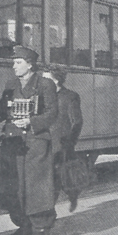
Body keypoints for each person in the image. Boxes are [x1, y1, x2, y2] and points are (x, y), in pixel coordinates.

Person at [0, 46, 58, 235]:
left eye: (18, 62)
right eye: (13, 62)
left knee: (38, 186)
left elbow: (52, 114)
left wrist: (31, 122)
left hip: (35, 142)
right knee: (15, 186)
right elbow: (3, 111)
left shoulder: (45, 84)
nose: (14, 66)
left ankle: (42, 228)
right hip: (13, 142)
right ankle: (24, 226)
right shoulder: (11, 85)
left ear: (30, 64)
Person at [42, 66, 84, 212]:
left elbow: (77, 121)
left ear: (56, 80)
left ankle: (72, 197)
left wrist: (70, 141)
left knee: (66, 177)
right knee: (50, 180)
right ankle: (48, 212)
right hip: (45, 144)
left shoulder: (70, 96)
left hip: (62, 144)